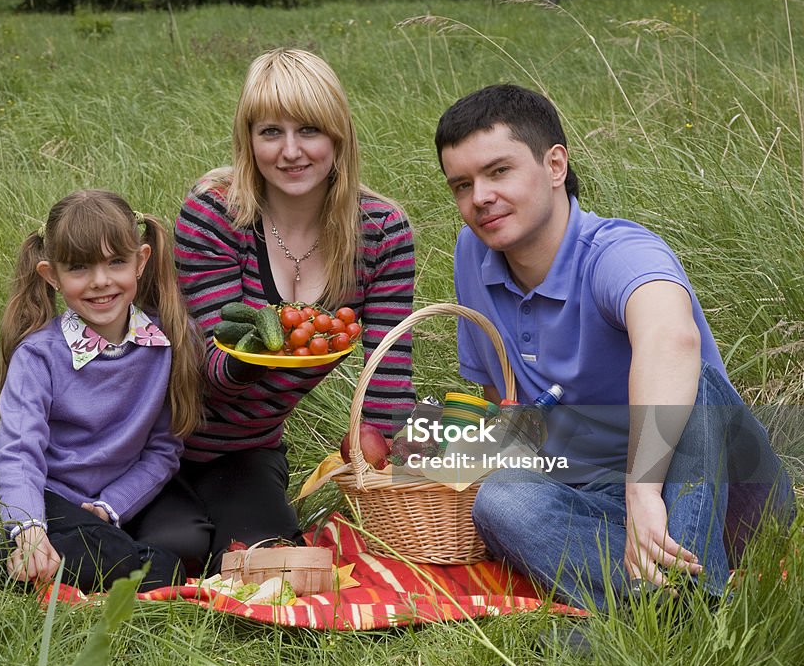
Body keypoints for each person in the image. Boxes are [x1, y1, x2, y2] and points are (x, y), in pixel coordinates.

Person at [436, 84, 795, 612]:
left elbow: (672, 339)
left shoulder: (618, 252)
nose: (479, 197)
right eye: (461, 185)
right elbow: (503, 393)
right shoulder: (473, 252)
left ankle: (685, 597)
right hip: (599, 503)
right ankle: (683, 603)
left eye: (498, 172)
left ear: (555, 165)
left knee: (692, 381)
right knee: (502, 500)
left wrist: (643, 489)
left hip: (720, 489)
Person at [126, 48, 416, 576]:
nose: (290, 152)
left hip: (245, 447)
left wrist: (406, 470)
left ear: (339, 136)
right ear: (247, 140)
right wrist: (263, 347)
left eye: (309, 130)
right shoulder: (214, 213)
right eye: (269, 132)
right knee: (180, 552)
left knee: (269, 562)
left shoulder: (381, 234)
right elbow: (211, 373)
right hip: (148, 437)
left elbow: (388, 380)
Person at [0, 189, 203, 593]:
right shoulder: (39, 355)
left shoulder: (167, 342)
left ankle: (91, 559)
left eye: (116, 262)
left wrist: (112, 505)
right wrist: (30, 529)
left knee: (189, 541)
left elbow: (163, 450)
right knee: (121, 559)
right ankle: (32, 551)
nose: (100, 282)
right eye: (79, 268)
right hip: (35, 494)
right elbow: (20, 452)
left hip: (102, 501)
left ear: (141, 261)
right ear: (51, 275)